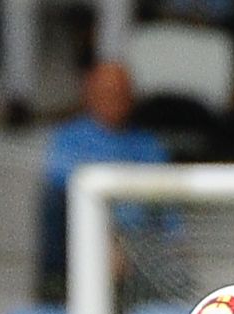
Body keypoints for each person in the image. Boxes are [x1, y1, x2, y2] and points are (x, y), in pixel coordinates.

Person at [38, 62, 169, 300]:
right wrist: (106, 237)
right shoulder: (68, 139)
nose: (114, 100)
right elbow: (62, 188)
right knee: (54, 202)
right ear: (90, 95)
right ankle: (54, 295)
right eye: (106, 93)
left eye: (120, 94)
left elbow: (167, 208)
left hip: (137, 246)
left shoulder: (148, 145)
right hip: (82, 242)